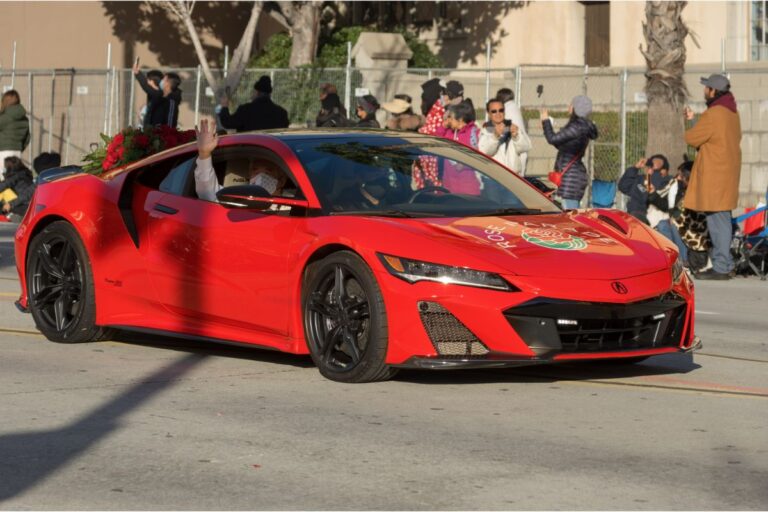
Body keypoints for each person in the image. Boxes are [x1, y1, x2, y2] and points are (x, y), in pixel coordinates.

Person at [683, 73, 742, 280]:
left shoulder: (714, 113)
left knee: (718, 222)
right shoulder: (731, 112)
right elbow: (714, 135)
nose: (704, 91)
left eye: (707, 87)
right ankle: (723, 263)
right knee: (722, 219)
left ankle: (721, 266)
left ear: (713, 91)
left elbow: (693, 138)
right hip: (726, 173)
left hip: (715, 175)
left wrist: (690, 123)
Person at [193, 119, 287, 202]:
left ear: (282, 180)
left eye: (268, 171)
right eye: (255, 170)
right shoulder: (239, 201)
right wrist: (204, 154)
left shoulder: (296, 205)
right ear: (250, 176)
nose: (260, 176)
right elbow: (208, 193)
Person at [540, 95, 598, 209]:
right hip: (571, 177)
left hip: (570, 180)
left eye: (571, 104)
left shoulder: (576, 126)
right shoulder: (581, 126)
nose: (569, 106)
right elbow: (563, 146)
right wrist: (546, 126)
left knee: (568, 216)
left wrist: (546, 121)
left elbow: (552, 139)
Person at [219, 75, 289, 132]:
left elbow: (228, 123)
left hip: (250, 148)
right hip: (273, 148)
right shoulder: (281, 113)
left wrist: (225, 106)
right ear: (269, 94)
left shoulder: (245, 110)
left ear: (256, 93)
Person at [478, 98, 531, 174]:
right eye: (494, 111)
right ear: (488, 113)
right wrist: (495, 136)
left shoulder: (513, 127)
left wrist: (516, 137)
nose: (498, 113)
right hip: (493, 177)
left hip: (513, 176)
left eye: (501, 110)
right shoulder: (485, 131)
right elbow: (485, 152)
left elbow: (525, 147)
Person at [618, 155, 672, 224]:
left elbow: (647, 197)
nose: (652, 166)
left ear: (664, 171)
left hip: (646, 218)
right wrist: (635, 168)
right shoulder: (640, 179)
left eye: (658, 164)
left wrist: (652, 175)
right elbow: (623, 187)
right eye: (650, 165)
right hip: (631, 214)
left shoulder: (666, 183)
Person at [133, 59, 182, 129]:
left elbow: (170, 124)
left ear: (167, 83)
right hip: (152, 135)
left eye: (164, 80)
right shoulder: (159, 95)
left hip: (163, 137)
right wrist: (137, 73)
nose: (161, 81)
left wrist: (165, 137)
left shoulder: (172, 102)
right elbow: (147, 88)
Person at [496, 87, 529, 174]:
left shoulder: (508, 109)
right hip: (519, 147)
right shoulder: (513, 107)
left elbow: (504, 129)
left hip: (515, 149)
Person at [0, 90, 30, 181]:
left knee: (2, 179)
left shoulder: (5, 117)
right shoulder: (24, 118)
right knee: (13, 178)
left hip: (2, 152)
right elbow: (27, 138)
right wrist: (19, 148)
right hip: (17, 152)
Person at [0, 156, 34, 221]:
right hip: (27, 202)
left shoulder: (16, 176)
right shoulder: (24, 173)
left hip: (24, 204)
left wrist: (10, 204)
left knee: (3, 195)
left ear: (9, 167)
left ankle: (9, 217)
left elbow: (4, 184)